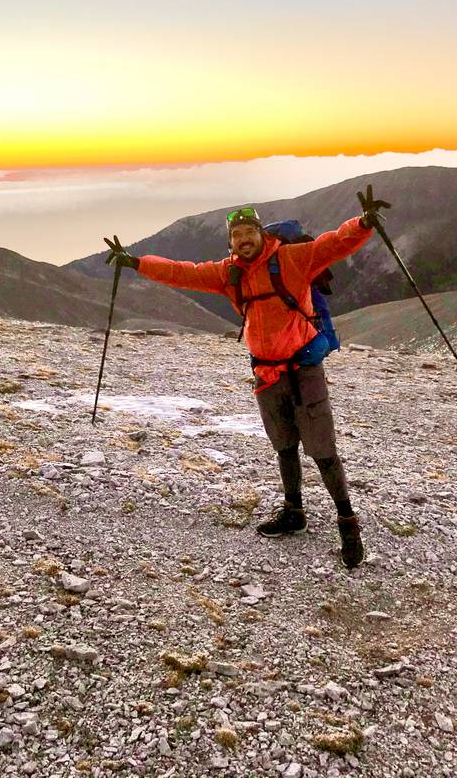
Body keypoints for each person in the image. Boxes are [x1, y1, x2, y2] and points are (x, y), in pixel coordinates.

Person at [104, 187, 388, 569]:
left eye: (249, 232)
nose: (243, 239)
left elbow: (332, 245)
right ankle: (294, 512)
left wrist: (363, 223)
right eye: (236, 235)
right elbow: (182, 273)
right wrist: (136, 262)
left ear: (261, 233)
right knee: (284, 446)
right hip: (265, 372)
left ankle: (347, 523)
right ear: (230, 243)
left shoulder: (291, 258)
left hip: (303, 369)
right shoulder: (229, 273)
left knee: (322, 451)